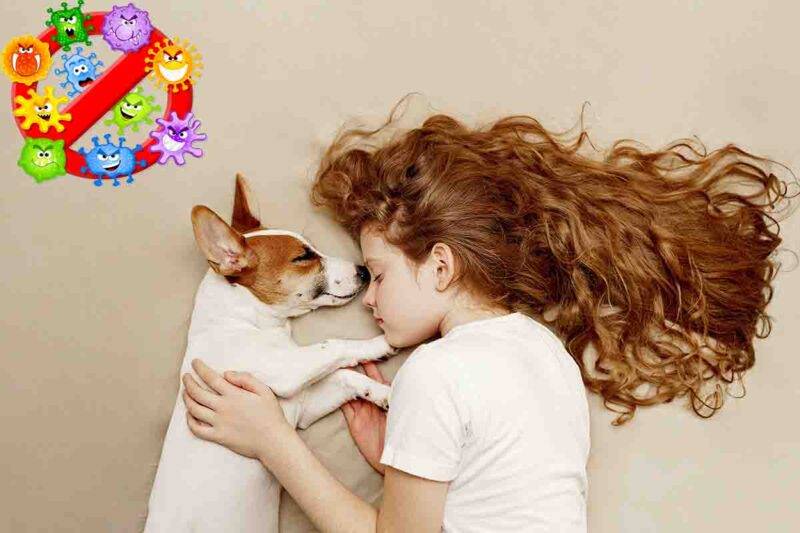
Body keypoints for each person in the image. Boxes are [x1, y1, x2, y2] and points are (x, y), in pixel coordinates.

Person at [181, 94, 795, 532]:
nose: (368, 298)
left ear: (441, 266)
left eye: (381, 275)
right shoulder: (545, 352)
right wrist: (397, 464)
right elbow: (502, 497)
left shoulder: (434, 373)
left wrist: (273, 441)